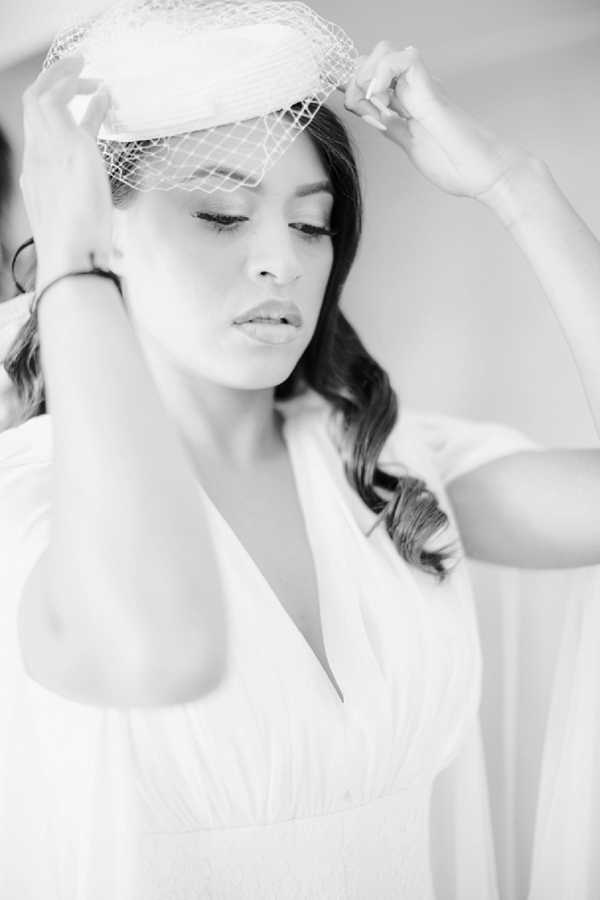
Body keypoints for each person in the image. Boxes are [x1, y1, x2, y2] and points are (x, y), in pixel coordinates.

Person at [2, 3, 600, 898]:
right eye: (220, 213)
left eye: (312, 224)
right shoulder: (31, 504)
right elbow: (154, 645)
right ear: (102, 232)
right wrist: (68, 269)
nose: (282, 259)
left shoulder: (387, 475)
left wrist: (516, 183)